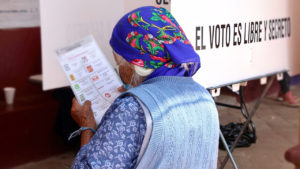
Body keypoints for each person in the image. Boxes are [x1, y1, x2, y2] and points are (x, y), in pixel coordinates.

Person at [71, 6, 219, 169]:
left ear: (136, 64)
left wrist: (87, 126)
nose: (119, 69)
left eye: (118, 62)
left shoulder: (132, 109)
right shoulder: (204, 97)